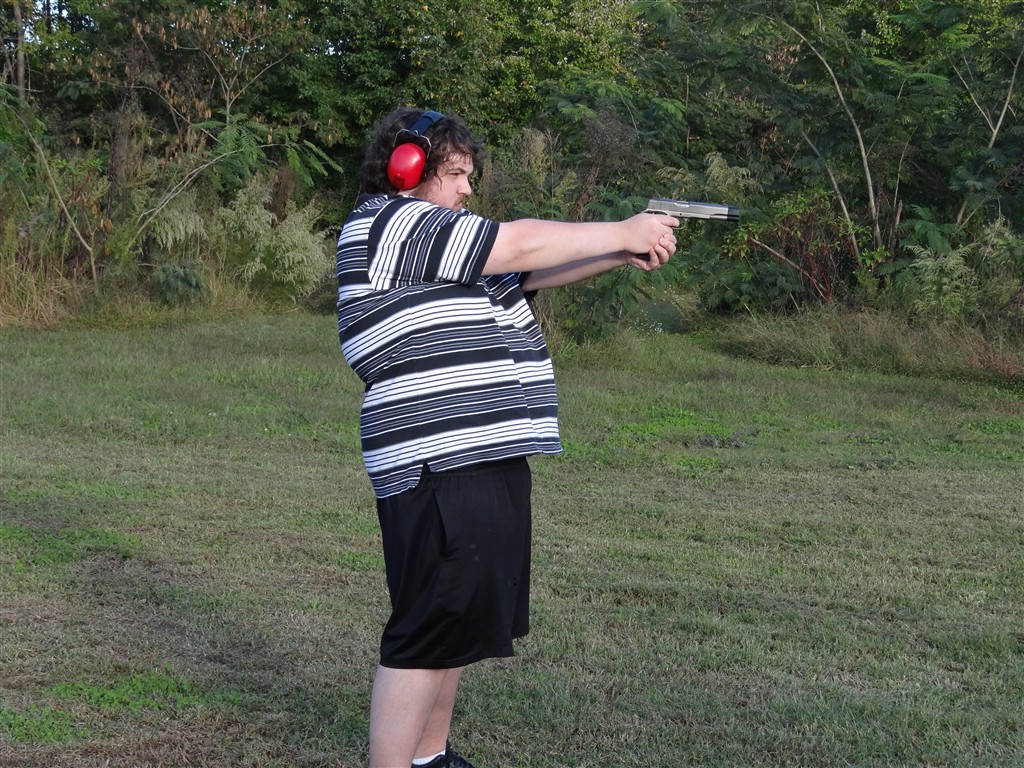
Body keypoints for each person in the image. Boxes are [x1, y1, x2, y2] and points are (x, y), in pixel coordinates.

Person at [335, 107, 678, 768]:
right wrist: (622, 229)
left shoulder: (438, 246)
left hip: (479, 452)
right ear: (408, 168)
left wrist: (622, 250)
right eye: (457, 174)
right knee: (428, 628)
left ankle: (430, 758)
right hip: (438, 458)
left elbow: (528, 271)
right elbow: (518, 244)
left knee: (458, 621)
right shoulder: (392, 222)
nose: (468, 188)